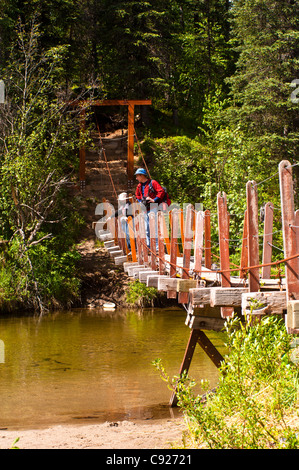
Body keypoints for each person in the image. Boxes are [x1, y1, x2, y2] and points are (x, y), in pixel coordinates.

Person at [134, 168, 166, 250]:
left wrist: (154, 200)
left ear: (142, 175)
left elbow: (161, 191)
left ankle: (157, 247)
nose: (136, 178)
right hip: (144, 208)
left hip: (153, 207)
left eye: (137, 176)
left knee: (154, 227)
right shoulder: (139, 186)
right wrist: (140, 201)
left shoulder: (153, 182)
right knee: (146, 228)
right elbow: (137, 195)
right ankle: (148, 246)